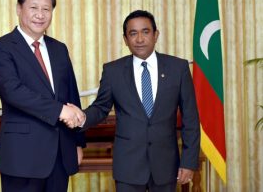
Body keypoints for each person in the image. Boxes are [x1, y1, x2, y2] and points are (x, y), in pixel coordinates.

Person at [64, 10, 201, 192]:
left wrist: (189, 162)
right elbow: (101, 108)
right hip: (128, 166)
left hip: (166, 165)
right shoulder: (113, 71)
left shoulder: (178, 68)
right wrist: (80, 117)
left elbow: (190, 118)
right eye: (133, 33)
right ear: (125, 39)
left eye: (145, 32)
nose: (139, 39)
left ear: (156, 34)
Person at [0, 0, 85, 192]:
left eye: (46, 9)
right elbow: (13, 92)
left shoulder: (59, 49)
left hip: (61, 152)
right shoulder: (1, 48)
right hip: (22, 156)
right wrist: (60, 110)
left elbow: (71, 95)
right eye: (33, 8)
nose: (40, 15)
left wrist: (78, 142)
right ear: (19, 9)